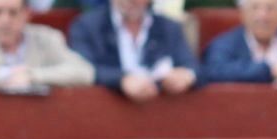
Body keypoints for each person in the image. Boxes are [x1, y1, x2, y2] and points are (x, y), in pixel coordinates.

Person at [68, 0, 198, 101]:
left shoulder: (169, 27)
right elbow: (83, 67)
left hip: (161, 117)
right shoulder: (87, 25)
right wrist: (121, 79)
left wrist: (186, 75)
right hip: (106, 116)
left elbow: (195, 67)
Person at [0, 0, 95, 89]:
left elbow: (84, 72)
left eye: (13, 13)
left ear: (26, 14)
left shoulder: (47, 38)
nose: (5, 20)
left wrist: (32, 76)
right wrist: (8, 75)